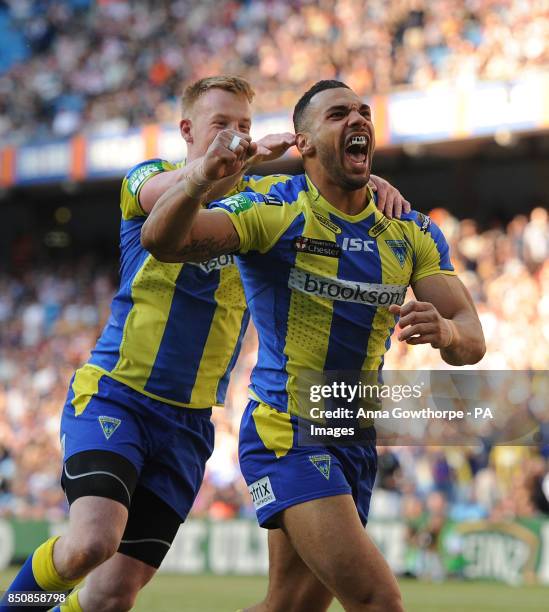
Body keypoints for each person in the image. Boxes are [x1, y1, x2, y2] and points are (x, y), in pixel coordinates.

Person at [1, 77, 408, 612]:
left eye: (243, 126)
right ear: (188, 130)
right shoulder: (147, 179)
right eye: (221, 125)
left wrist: (366, 182)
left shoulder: (261, 207)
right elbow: (168, 195)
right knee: (92, 542)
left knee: (112, 596)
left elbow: (323, 198)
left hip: (190, 425)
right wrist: (217, 170)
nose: (234, 136)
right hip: (119, 396)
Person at [142, 79, 486, 611]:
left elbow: (472, 339)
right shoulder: (273, 211)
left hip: (350, 431)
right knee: (378, 600)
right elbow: (162, 240)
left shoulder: (409, 230)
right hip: (286, 431)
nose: (358, 120)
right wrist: (199, 182)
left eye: (364, 112)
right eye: (338, 114)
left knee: (287, 607)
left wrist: (445, 331)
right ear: (303, 144)